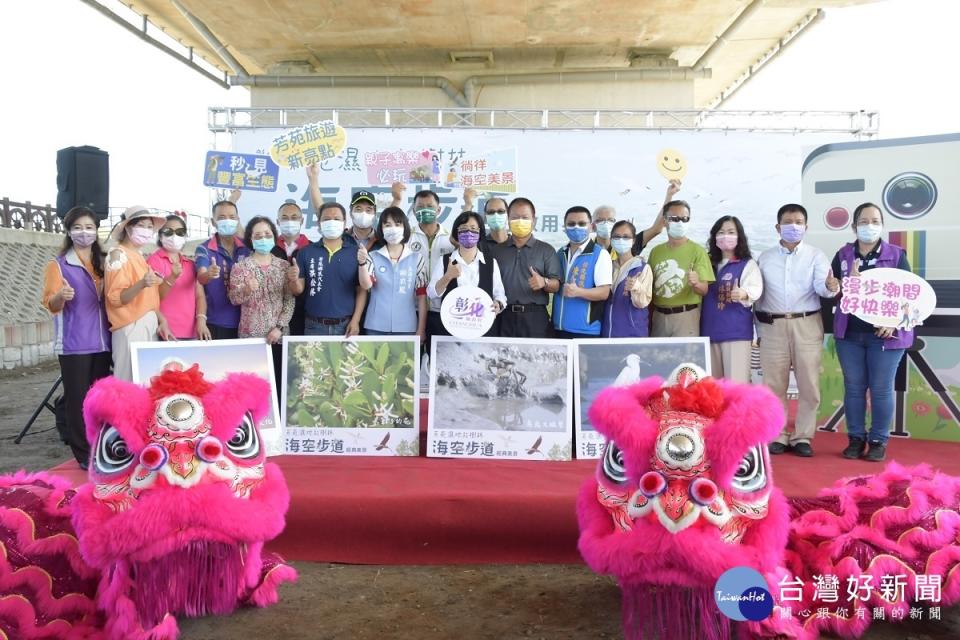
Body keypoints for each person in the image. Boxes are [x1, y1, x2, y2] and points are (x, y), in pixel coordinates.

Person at [830, 203, 913, 462]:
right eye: (864, 221)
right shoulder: (843, 255)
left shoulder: (897, 255)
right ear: (854, 226)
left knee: (881, 388)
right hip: (850, 333)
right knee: (854, 388)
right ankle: (856, 438)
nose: (869, 226)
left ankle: (878, 440)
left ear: (882, 224)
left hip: (886, 336)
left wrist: (895, 322)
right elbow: (834, 292)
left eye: (875, 220)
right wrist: (838, 285)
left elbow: (910, 295)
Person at [756, 203, 839, 458]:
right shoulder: (765, 257)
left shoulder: (816, 255)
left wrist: (832, 287)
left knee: (809, 384)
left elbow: (823, 288)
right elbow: (757, 294)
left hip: (807, 322)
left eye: (799, 222)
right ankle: (778, 434)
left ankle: (803, 436)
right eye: (788, 222)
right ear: (778, 227)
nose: (794, 226)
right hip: (772, 325)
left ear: (806, 226)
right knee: (773, 384)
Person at [41, 206, 112, 466]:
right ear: (69, 231)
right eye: (78, 227)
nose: (84, 232)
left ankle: (103, 447)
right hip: (75, 344)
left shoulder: (104, 262)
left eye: (90, 227)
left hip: (105, 342)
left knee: (100, 399)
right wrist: (61, 297)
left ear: (96, 231)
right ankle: (84, 454)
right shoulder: (58, 265)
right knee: (78, 400)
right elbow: (50, 303)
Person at [103, 206, 175, 381]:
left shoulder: (138, 256)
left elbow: (150, 300)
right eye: (142, 225)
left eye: (150, 227)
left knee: (145, 380)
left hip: (148, 324)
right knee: (129, 381)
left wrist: (162, 320)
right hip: (130, 326)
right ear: (128, 228)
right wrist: (142, 284)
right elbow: (116, 298)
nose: (147, 230)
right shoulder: (118, 255)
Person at [490, 197, 563, 338]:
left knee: (535, 359)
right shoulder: (496, 251)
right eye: (515, 218)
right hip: (502, 316)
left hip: (535, 317)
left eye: (525, 217)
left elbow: (556, 286)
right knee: (501, 359)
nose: (520, 221)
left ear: (534, 221)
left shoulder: (546, 250)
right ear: (508, 220)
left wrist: (544, 282)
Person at [701, 216, 762, 382]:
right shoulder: (707, 262)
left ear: (739, 236)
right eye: (720, 232)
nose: (725, 236)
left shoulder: (746, 264)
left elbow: (755, 290)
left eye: (730, 232)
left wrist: (742, 293)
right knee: (713, 390)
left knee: (736, 387)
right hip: (708, 334)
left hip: (736, 335)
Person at [292, 202, 366, 336]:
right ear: (319, 223)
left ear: (344, 223)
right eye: (326, 219)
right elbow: (298, 290)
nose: (332, 222)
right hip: (313, 326)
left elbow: (361, 290)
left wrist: (356, 320)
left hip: (345, 326)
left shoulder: (356, 252)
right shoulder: (305, 252)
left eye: (337, 219)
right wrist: (293, 279)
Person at [428, 211, 507, 336]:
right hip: (451, 329)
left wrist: (498, 304)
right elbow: (431, 293)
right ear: (456, 233)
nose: (468, 233)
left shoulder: (491, 263)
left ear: (480, 232)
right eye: (463, 229)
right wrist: (448, 277)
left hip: (482, 328)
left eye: (473, 229)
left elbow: (500, 294)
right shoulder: (445, 260)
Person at [357, 206, 428, 338]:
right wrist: (362, 263)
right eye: (387, 225)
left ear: (405, 227)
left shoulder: (417, 259)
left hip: (407, 327)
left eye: (397, 224)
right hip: (376, 326)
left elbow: (422, 297)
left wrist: (421, 329)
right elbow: (366, 285)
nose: (393, 228)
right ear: (381, 229)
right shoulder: (373, 256)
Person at [648, 200, 715, 337]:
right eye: (675, 218)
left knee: (685, 358)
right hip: (659, 315)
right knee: (658, 358)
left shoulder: (698, 251)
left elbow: (704, 290)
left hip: (686, 316)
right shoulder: (655, 251)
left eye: (685, 219)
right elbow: (649, 285)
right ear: (665, 221)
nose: (680, 223)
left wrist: (696, 283)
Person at [551, 206, 613, 338]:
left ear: (591, 227)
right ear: (565, 227)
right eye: (571, 224)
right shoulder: (560, 253)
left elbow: (604, 292)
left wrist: (578, 292)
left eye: (582, 224)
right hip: (558, 328)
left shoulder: (600, 254)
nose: (576, 227)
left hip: (585, 331)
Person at [147, 214, 210, 340]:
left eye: (180, 232)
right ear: (160, 235)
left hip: (192, 333)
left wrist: (201, 320)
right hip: (165, 332)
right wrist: (172, 278)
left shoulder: (191, 264)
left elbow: (200, 296)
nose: (174, 236)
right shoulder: (153, 261)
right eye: (168, 231)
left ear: (185, 236)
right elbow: (152, 298)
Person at [195, 200, 249, 339]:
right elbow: (201, 277)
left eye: (232, 217)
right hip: (216, 322)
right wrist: (209, 274)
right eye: (221, 218)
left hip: (246, 322)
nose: (227, 221)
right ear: (213, 222)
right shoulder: (204, 249)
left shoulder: (247, 248)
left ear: (237, 220)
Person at [408, 190, 455, 348]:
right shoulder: (406, 237)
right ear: (414, 211)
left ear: (439, 210)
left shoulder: (450, 239)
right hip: (412, 310)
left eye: (430, 206)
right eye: (420, 206)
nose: (425, 209)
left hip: (442, 311)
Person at [592, 179, 679, 254]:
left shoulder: (627, 244)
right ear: (592, 226)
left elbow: (656, 229)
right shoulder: (585, 249)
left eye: (610, 220)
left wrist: (669, 195)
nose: (606, 223)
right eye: (600, 220)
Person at [601, 221, 653, 337]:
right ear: (611, 239)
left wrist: (636, 288)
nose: (621, 240)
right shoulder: (607, 266)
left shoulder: (642, 267)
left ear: (633, 240)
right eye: (617, 237)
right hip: (607, 332)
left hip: (632, 333)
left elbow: (642, 303)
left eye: (626, 237)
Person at [270, 201, 310, 335]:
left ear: (302, 220)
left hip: (305, 316)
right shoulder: (267, 248)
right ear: (277, 221)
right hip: (273, 319)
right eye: (284, 218)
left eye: (294, 218)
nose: (289, 221)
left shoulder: (313, 249)